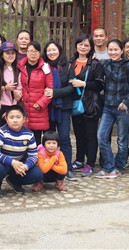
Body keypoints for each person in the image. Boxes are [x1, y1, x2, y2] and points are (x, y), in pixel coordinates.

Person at [94, 39, 129, 179]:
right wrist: (93, 58)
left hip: (123, 109)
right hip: (108, 107)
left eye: (116, 49)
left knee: (122, 140)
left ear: (121, 51)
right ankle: (109, 166)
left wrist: (126, 102)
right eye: (110, 50)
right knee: (101, 136)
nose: (113, 52)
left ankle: (118, 166)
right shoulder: (106, 64)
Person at [67, 34, 105, 177]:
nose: (83, 47)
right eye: (80, 44)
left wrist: (83, 84)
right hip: (75, 103)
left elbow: (100, 84)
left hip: (90, 104)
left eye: (86, 45)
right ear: (76, 45)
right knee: (78, 134)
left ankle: (90, 163)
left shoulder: (94, 64)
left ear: (91, 48)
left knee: (90, 135)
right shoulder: (71, 62)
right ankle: (79, 160)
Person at [0, 105, 43, 197]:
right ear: (6, 119)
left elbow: (33, 156)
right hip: (4, 163)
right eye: (11, 117)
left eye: (18, 117)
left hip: (19, 164)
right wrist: (12, 162)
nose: (15, 120)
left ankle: (14, 181)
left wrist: (26, 166)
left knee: (38, 174)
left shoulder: (29, 134)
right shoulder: (1, 132)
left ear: (24, 119)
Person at [42, 40, 75, 181]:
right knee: (48, 138)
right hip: (47, 108)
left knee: (64, 138)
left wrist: (55, 93)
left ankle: (66, 168)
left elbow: (71, 87)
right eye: (49, 50)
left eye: (54, 50)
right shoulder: (43, 66)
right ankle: (47, 167)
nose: (51, 52)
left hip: (63, 107)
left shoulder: (67, 66)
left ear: (59, 51)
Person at [18, 41, 53, 145]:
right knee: (23, 138)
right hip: (23, 107)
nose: (33, 54)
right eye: (30, 51)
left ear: (39, 53)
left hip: (38, 108)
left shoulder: (45, 68)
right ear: (26, 52)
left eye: (36, 51)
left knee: (36, 140)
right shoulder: (20, 66)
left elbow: (50, 89)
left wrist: (41, 103)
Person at [0, 41, 22, 127]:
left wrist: (11, 109)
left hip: (12, 106)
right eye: (7, 53)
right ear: (2, 54)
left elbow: (20, 89)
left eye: (13, 53)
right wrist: (5, 88)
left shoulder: (18, 69)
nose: (10, 55)